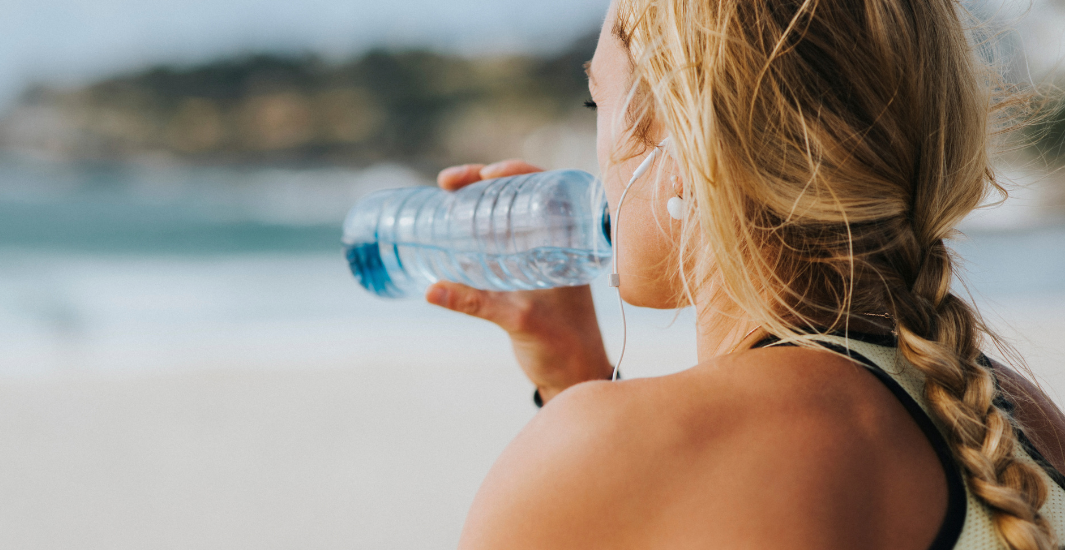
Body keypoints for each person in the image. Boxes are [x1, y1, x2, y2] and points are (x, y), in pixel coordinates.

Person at [425, 0, 1065, 548]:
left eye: (597, 96)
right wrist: (574, 380)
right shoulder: (1018, 426)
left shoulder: (609, 449)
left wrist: (579, 427)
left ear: (683, 133)